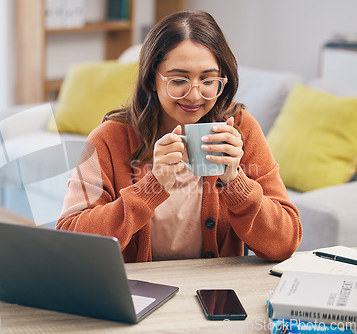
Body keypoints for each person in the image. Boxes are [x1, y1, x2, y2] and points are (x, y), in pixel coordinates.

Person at [56, 10, 302, 263]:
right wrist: (151, 187)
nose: (195, 95)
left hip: (216, 293)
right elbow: (71, 242)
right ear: (152, 79)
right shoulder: (109, 139)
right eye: (179, 79)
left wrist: (235, 180)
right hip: (140, 293)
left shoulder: (240, 129)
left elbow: (284, 244)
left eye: (208, 79)